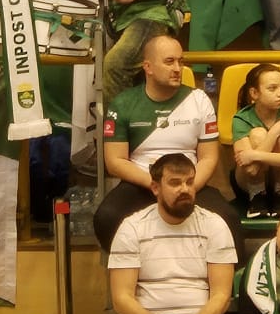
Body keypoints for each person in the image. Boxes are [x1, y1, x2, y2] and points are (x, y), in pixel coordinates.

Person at [93, 36, 241, 251]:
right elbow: (115, 162)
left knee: (228, 220)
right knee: (107, 217)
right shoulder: (123, 103)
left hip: (189, 182)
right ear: (148, 67)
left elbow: (209, 158)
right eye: (169, 62)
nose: (177, 68)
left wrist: (187, 187)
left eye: (181, 61)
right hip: (142, 182)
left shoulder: (199, 100)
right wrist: (159, 186)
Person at [107, 152, 239, 314]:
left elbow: (221, 295)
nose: (184, 189)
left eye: (189, 182)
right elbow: (121, 299)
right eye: (175, 183)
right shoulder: (132, 227)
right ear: (155, 188)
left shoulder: (215, 225)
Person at [229, 65, 280, 217]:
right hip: (247, 185)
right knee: (258, 134)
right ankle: (257, 197)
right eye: (272, 88)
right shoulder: (241, 119)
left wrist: (253, 155)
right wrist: (274, 132)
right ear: (254, 93)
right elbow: (251, 170)